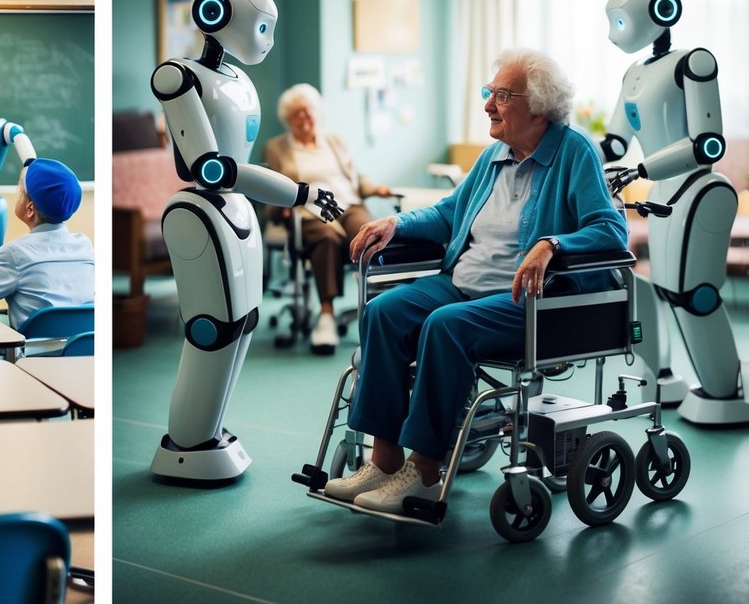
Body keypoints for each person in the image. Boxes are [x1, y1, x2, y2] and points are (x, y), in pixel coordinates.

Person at [322, 48, 627, 515]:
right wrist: (397, 225)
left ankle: (423, 471)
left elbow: (610, 229)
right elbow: (449, 213)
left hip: (526, 301)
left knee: (445, 325)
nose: (488, 104)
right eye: (490, 92)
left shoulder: (574, 153)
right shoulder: (494, 156)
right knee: (384, 310)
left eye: (502, 95)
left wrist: (551, 245)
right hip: (463, 284)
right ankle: (383, 461)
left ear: (539, 108)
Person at [264, 83, 391, 353]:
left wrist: (375, 188)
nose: (305, 117)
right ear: (288, 118)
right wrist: (281, 207)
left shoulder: (333, 140)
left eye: (309, 110)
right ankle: (326, 316)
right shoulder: (276, 148)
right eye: (298, 112)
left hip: (348, 204)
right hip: (308, 210)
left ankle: (377, 310)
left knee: (368, 234)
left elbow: (355, 177)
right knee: (328, 237)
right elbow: (270, 188)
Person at [0, 158, 94, 328]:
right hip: (82, 352)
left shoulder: (16, 254)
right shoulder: (85, 246)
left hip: (32, 354)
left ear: (30, 209)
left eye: (19, 189)